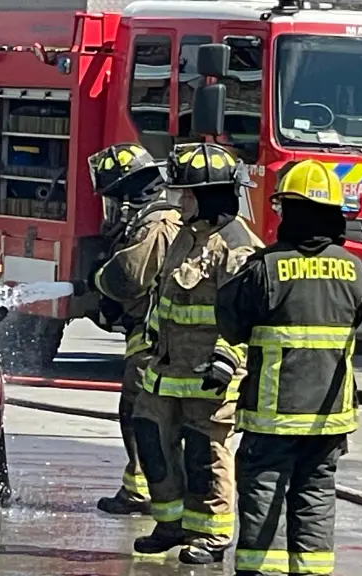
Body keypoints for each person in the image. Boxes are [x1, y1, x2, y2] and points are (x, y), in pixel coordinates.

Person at [215, 160, 362, 576]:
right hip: (329, 417)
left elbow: (231, 322)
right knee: (316, 495)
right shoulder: (354, 269)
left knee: (264, 493)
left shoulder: (266, 268)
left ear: (290, 211)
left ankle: (260, 570)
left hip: (274, 414)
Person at [133, 142, 263, 565]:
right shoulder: (186, 236)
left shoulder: (236, 246)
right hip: (167, 370)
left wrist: (226, 361)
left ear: (209, 196)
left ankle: (211, 534)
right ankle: (170, 522)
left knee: (205, 453)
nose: (178, 201)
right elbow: (167, 298)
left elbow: (245, 314)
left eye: (186, 194)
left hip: (209, 377)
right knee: (151, 438)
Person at [83, 143, 181, 516]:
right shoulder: (152, 219)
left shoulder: (157, 223)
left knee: (140, 412)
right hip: (150, 334)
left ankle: (142, 491)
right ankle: (142, 487)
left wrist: (99, 280)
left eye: (113, 197)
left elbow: (131, 276)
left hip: (154, 337)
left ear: (128, 192)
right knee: (140, 412)